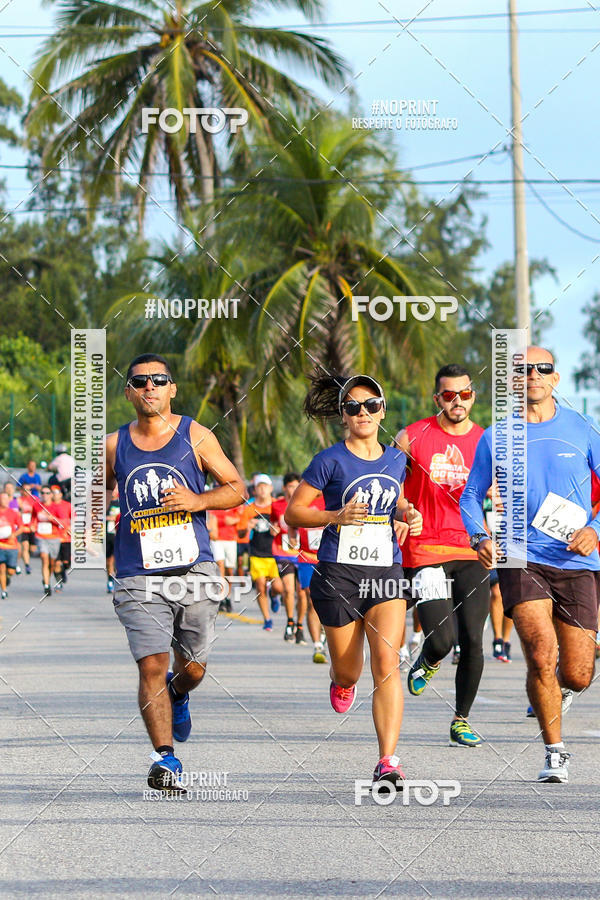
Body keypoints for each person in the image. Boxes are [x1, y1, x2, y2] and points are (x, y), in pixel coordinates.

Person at [106, 353, 247, 791]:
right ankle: (165, 759)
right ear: (128, 391)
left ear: (172, 389)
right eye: (140, 381)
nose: (149, 387)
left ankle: (179, 691)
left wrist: (198, 501)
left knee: (194, 669)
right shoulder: (113, 445)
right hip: (137, 572)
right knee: (151, 664)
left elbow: (237, 488)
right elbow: (93, 499)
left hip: (193, 569)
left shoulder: (195, 435)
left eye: (158, 380)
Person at [460, 347, 600, 783]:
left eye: (542, 368)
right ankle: (554, 751)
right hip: (521, 555)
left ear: (555, 378)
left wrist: (595, 528)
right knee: (540, 656)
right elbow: (470, 496)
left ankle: (563, 689)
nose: (533, 375)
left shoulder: (583, 428)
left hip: (577, 559)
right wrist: (479, 536)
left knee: (576, 673)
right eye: (523, 369)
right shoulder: (496, 436)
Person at [285, 373, 422, 790]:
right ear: (343, 416)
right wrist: (334, 517)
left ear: (382, 410)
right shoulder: (329, 460)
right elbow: (294, 512)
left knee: (387, 665)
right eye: (353, 407)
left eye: (371, 405)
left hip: (385, 572)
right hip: (338, 573)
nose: (363, 413)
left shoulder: (397, 458)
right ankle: (341, 682)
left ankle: (388, 761)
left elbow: (395, 498)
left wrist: (407, 513)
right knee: (350, 671)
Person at [395, 364, 487, 748]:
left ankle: (461, 719)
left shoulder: (487, 440)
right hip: (425, 549)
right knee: (442, 639)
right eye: (449, 395)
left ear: (473, 396)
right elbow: (388, 486)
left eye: (464, 394)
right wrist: (404, 509)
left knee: (473, 639)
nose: (458, 402)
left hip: (470, 549)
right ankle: (429, 658)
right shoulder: (412, 436)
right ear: (438, 399)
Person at [237, 475, 282, 631]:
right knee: (261, 585)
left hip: (276, 553)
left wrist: (278, 530)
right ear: (255, 490)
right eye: (259, 486)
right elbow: (240, 534)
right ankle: (267, 619)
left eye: (265, 486)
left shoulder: (278, 506)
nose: (262, 489)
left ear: (270, 488)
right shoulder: (249, 509)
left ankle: (275, 596)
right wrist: (248, 527)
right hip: (256, 553)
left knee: (279, 587)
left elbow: (288, 526)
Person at [288, 492, 327, 662]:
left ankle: (326, 628)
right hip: (307, 559)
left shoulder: (332, 494)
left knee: (331, 601)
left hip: (329, 558)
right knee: (312, 600)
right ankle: (318, 645)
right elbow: (290, 518)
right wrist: (292, 534)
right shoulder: (301, 497)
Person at [271, 473, 304, 642]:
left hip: (303, 553)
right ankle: (290, 621)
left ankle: (300, 625)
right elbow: (273, 524)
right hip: (283, 552)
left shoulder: (305, 504)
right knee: (289, 589)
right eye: (290, 486)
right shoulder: (276, 505)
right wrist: (274, 529)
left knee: (303, 593)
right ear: (284, 488)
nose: (293, 490)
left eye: (296, 486)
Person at [208, 505, 241, 612]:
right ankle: (221, 597)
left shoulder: (235, 502)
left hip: (231, 539)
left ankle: (228, 597)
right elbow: (211, 519)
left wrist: (235, 520)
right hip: (217, 539)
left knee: (229, 571)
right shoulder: (214, 502)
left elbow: (242, 518)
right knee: (220, 566)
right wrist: (222, 522)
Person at [32, 486, 61, 596]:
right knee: (44, 559)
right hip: (41, 537)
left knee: (52, 563)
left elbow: (63, 521)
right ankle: (47, 585)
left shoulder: (56, 507)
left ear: (51, 495)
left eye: (47, 493)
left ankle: (47, 578)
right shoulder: (36, 506)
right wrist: (32, 526)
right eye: (42, 493)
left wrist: (51, 518)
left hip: (54, 537)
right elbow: (33, 519)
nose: (45, 495)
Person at [0, 492, 23, 599]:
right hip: (0, 546)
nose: (4, 501)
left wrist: (14, 534)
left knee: (10, 571)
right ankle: (4, 591)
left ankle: (8, 577)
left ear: (9, 500)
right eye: (2, 499)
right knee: (1, 568)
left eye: (6, 499)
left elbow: (21, 527)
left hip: (11, 546)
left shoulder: (13, 513)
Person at [50, 484, 72, 590]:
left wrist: (71, 527)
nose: (54, 495)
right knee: (56, 562)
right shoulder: (48, 506)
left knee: (67, 563)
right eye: (52, 493)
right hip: (53, 538)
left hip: (66, 539)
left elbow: (75, 518)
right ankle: (58, 582)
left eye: (56, 493)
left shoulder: (67, 505)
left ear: (61, 494)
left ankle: (64, 570)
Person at [17, 484, 35, 574]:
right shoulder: (19, 500)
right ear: (21, 491)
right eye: (25, 490)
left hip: (31, 528)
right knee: (24, 546)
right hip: (23, 528)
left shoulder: (35, 500)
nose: (27, 492)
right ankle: (26, 565)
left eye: (29, 489)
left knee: (32, 549)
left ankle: (24, 562)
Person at [106, 486, 120, 593]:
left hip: (119, 534)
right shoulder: (105, 503)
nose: (113, 491)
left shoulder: (121, 502)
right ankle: (110, 579)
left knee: (117, 559)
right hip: (107, 533)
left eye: (116, 489)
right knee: (109, 560)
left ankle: (117, 579)